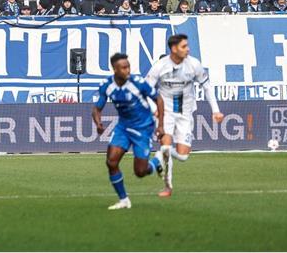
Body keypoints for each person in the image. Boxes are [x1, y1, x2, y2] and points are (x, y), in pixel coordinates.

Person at [144, 34, 224, 197]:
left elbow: (207, 87)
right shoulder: (160, 66)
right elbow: (145, 90)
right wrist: (154, 109)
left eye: (187, 46)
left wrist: (215, 110)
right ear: (174, 49)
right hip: (165, 113)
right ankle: (168, 187)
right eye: (184, 46)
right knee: (166, 143)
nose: (187, 49)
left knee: (182, 155)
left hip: (186, 113)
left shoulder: (194, 65)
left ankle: (159, 156)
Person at [92, 53, 165, 210]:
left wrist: (160, 126)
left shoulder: (138, 83)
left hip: (143, 128)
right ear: (115, 69)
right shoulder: (107, 86)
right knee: (111, 162)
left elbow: (158, 99)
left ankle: (158, 160)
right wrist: (98, 123)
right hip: (123, 128)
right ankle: (124, 200)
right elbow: (97, 108)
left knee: (140, 172)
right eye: (124, 68)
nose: (127, 70)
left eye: (128, 67)